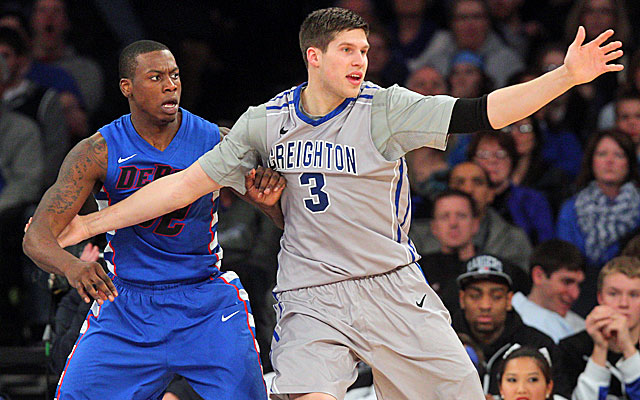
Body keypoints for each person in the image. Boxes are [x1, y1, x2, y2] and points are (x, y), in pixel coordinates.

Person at [53, 7, 623, 400]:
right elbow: (184, 185)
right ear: (314, 56)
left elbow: (485, 111)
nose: (360, 60)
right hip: (311, 290)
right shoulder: (266, 123)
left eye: (366, 50)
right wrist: (94, 221)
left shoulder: (387, 108)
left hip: (391, 283)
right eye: (347, 50)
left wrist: (565, 77)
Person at [22, 40, 285, 399]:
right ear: (126, 87)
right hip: (127, 303)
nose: (170, 84)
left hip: (203, 301)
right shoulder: (97, 152)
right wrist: (73, 268)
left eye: (175, 75)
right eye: (156, 76)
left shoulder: (214, 141)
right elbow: (35, 238)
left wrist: (268, 201)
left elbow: (282, 215)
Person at [557, 129, 640, 315]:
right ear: (591, 161)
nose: (609, 161)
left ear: (629, 162)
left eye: (618, 155)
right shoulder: (571, 208)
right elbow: (567, 260)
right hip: (581, 294)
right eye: (602, 154)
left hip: (631, 295)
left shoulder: (639, 208)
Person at [453, 254, 560, 397]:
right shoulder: (444, 343)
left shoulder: (538, 344)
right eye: (475, 296)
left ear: (509, 300)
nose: (485, 305)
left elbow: (558, 395)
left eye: (496, 296)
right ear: (462, 299)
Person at [411, 161, 534, 271]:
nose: (468, 189)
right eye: (459, 182)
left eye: (477, 182)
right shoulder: (416, 240)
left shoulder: (513, 239)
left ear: (491, 193)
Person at [556, 256, 640, 400]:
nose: (624, 303)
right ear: (600, 298)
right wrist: (600, 348)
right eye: (613, 294)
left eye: (634, 295)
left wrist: (627, 348)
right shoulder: (570, 349)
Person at [468, 130, 555, 244]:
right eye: (484, 155)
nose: (492, 161)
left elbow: (545, 243)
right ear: (472, 160)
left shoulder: (532, 200)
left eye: (500, 154)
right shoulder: (464, 199)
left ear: (512, 160)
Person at [511, 239, 586, 343]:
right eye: (567, 282)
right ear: (539, 276)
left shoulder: (583, 329)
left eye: (579, 284)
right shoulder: (506, 322)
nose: (575, 294)